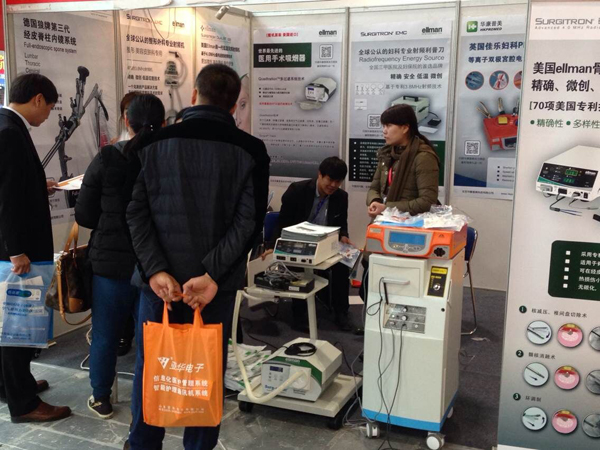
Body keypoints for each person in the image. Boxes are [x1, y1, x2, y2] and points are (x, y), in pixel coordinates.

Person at [126, 64, 270, 450]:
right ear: (235, 104)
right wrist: (211, 275)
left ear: (194, 95)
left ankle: (142, 444)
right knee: (206, 373)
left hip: (160, 288)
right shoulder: (251, 150)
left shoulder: (151, 143)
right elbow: (249, 223)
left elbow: (135, 213)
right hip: (212, 291)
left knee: (151, 368)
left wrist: (155, 270)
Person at [75, 94, 166, 420]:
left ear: (126, 120)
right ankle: (148, 400)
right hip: (155, 266)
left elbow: (85, 215)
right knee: (151, 338)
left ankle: (101, 397)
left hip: (109, 265)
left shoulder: (107, 158)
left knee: (105, 334)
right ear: (164, 123)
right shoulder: (167, 158)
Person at [0, 73, 71, 423]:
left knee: (10, 323)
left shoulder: (7, 125)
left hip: (15, 249)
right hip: (18, 252)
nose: (47, 116)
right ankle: (24, 404)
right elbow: (6, 199)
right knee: (18, 326)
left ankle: (11, 385)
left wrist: (38, 185)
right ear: (38, 99)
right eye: (50, 108)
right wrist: (16, 250)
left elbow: (13, 185)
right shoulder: (9, 132)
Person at [263, 157, 355, 332]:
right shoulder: (297, 191)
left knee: (343, 265)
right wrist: (271, 246)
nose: (333, 185)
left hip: (325, 244)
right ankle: (299, 315)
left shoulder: (341, 197)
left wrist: (344, 236)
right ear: (320, 175)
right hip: (299, 242)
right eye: (330, 180)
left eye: (338, 182)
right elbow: (282, 222)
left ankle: (341, 313)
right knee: (298, 268)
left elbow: (342, 224)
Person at [367, 103, 440, 217]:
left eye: (389, 125)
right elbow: (374, 188)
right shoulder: (386, 153)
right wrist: (375, 201)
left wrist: (387, 208)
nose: (384, 131)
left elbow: (427, 202)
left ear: (405, 128)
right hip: (384, 221)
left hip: (412, 223)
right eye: (384, 126)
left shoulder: (423, 157)